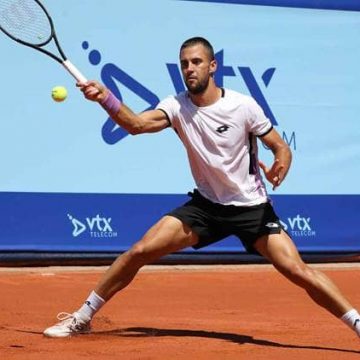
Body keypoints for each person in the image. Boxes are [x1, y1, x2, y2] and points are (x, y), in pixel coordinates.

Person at [43, 37, 360, 339]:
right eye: (184, 64)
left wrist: (281, 162)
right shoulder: (177, 106)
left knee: (296, 270)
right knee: (139, 251)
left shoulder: (243, 106)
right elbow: (136, 125)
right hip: (206, 207)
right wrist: (106, 98)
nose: (189, 69)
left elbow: (280, 146)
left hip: (251, 208)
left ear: (213, 66)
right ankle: (82, 317)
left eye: (196, 62)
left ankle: (356, 322)